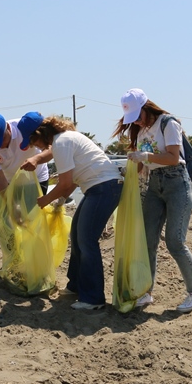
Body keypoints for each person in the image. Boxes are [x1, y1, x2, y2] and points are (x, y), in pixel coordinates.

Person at [112, 88, 192, 312]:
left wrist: (146, 157)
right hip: (155, 185)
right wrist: (139, 166)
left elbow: (173, 158)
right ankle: (146, 291)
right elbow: (149, 160)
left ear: (146, 108)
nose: (135, 123)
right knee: (147, 241)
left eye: (137, 117)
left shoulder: (168, 123)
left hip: (176, 185)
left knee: (175, 241)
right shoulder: (141, 129)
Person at [24, 114, 122, 310]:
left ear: (41, 134)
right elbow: (73, 181)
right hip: (97, 188)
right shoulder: (65, 140)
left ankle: (93, 298)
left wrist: (46, 200)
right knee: (77, 235)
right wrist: (59, 202)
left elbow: (66, 183)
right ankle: (76, 286)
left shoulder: (61, 143)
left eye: (34, 141)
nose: (37, 148)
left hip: (104, 188)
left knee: (87, 240)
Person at [0, 112, 52, 235]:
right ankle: (12, 250)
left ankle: (31, 252)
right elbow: (0, 182)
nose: (0, 146)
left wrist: (37, 159)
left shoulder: (25, 127)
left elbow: (52, 147)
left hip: (36, 179)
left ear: (7, 128)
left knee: (30, 220)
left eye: (1, 140)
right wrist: (12, 206)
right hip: (9, 181)